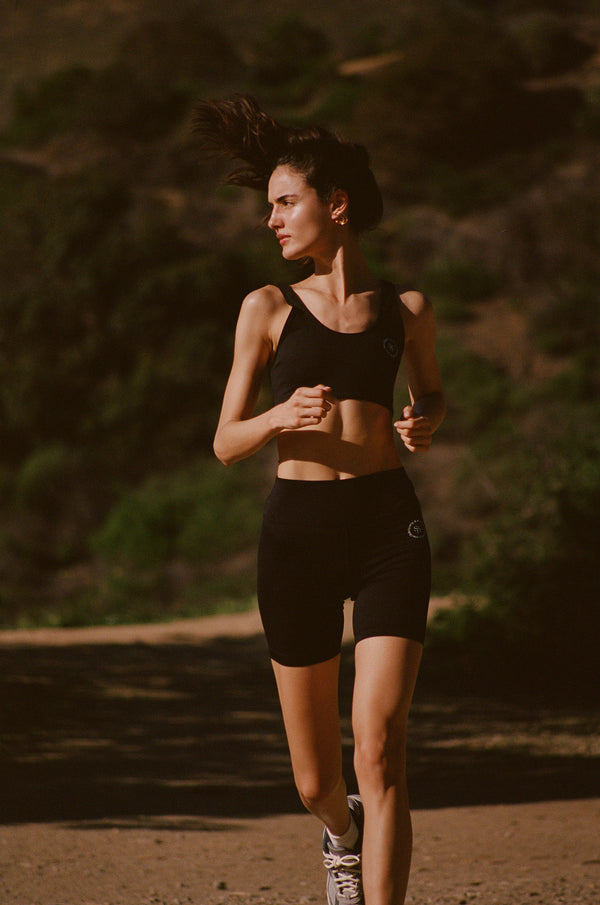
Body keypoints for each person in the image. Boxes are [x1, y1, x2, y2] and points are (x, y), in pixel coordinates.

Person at [194, 95, 446, 905]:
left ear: (334, 205)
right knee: (316, 779)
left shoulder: (406, 312)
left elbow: (432, 393)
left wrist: (422, 420)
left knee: (382, 744)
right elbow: (226, 441)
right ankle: (341, 832)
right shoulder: (266, 308)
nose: (271, 220)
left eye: (284, 202)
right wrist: (276, 417)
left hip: (386, 528)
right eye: (267, 206)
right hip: (298, 534)